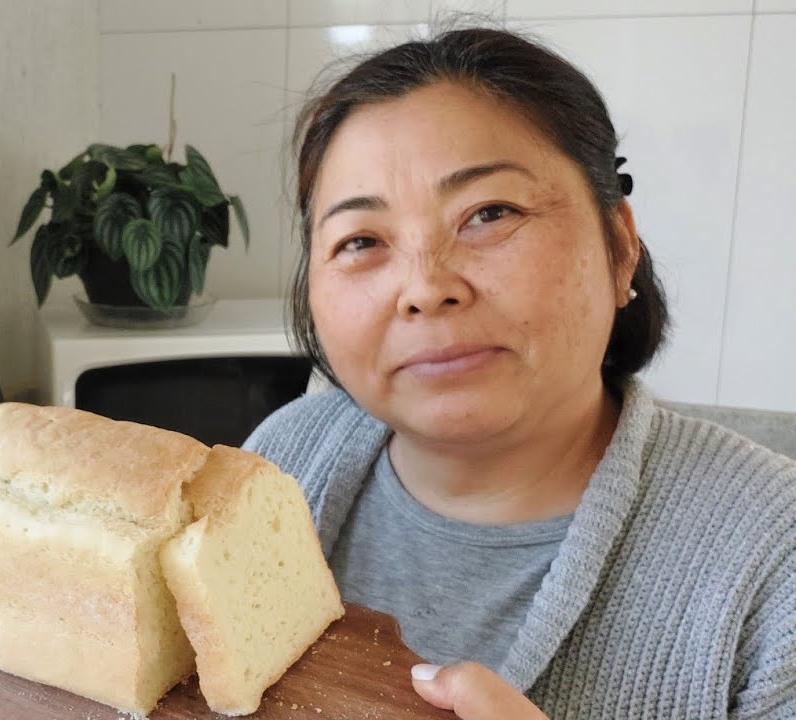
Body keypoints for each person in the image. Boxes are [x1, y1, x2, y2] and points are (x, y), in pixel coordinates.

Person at [244, 26, 796, 719]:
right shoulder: (281, 462)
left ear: (619, 247)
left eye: (489, 214)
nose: (424, 287)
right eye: (361, 241)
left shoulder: (776, 558)